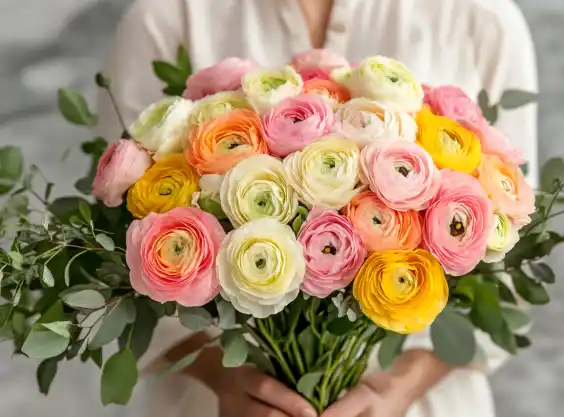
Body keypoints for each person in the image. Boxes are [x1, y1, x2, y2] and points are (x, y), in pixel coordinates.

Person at [95, 1, 538, 416]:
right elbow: (114, 250)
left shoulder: (483, 18)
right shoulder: (168, 16)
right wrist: (220, 376)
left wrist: (406, 381)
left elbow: (513, 257)